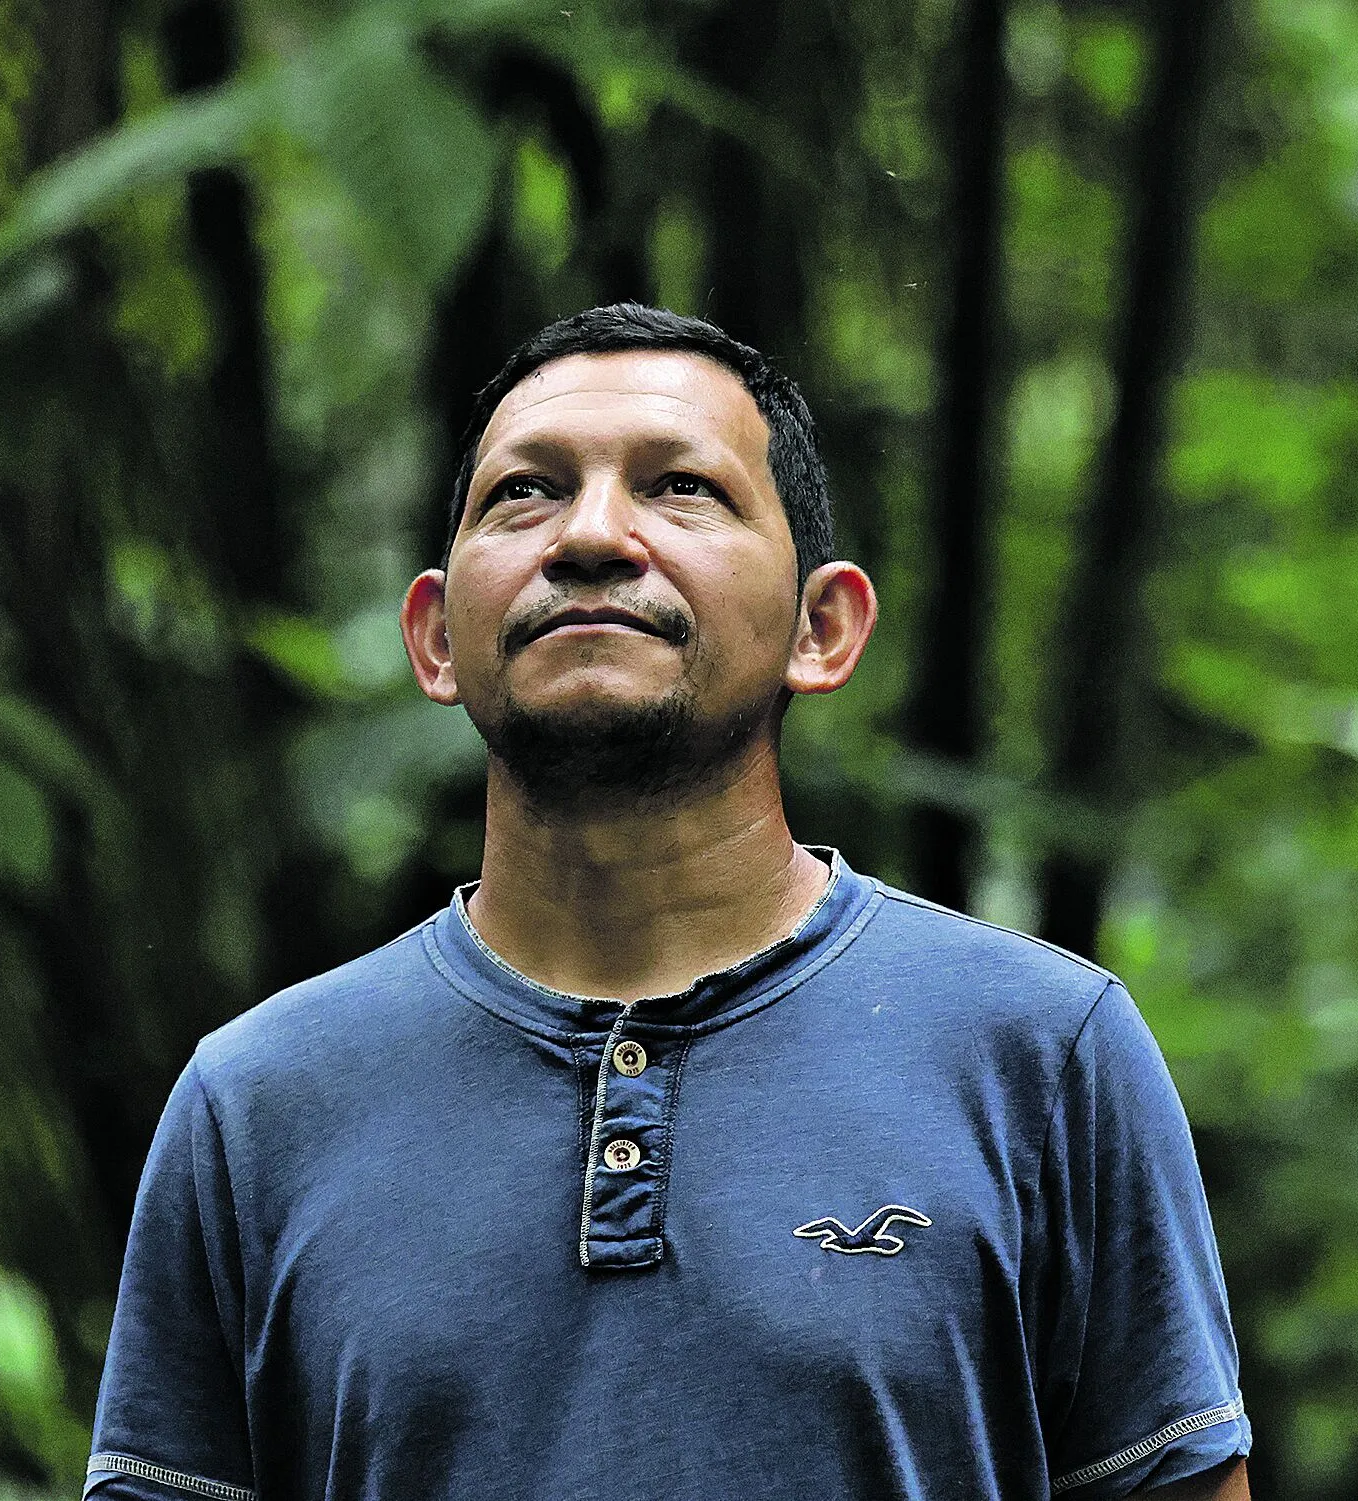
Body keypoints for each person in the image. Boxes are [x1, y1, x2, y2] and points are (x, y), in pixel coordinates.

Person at [85, 304, 1252, 1500]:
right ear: (434, 638)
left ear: (822, 625)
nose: (590, 535)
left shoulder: (1041, 1054)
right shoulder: (259, 1103)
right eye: (522, 494)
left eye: (680, 487)